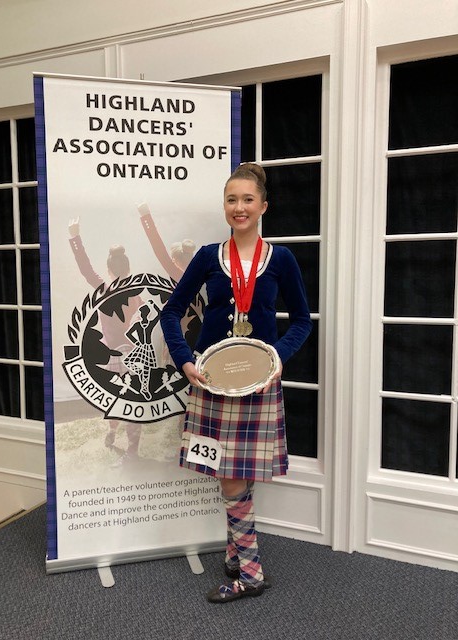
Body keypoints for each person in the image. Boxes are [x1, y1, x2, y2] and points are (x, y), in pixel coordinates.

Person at [160, 162, 312, 603]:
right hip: (211, 382)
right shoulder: (209, 257)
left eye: (248, 199)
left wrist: (276, 358)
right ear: (224, 206)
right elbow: (172, 312)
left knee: (233, 476)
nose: (239, 207)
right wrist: (185, 360)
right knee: (229, 474)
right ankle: (236, 556)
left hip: (258, 385)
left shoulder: (280, 259)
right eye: (231, 199)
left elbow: (301, 321)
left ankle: (250, 573)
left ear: (264, 206)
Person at [68, 218, 142, 458]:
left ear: (109, 270)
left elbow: (85, 269)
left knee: (114, 400)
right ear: (128, 269)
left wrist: (75, 237)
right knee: (133, 402)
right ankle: (132, 447)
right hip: (134, 355)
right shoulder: (136, 293)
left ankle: (112, 432)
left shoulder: (106, 290)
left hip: (114, 355)